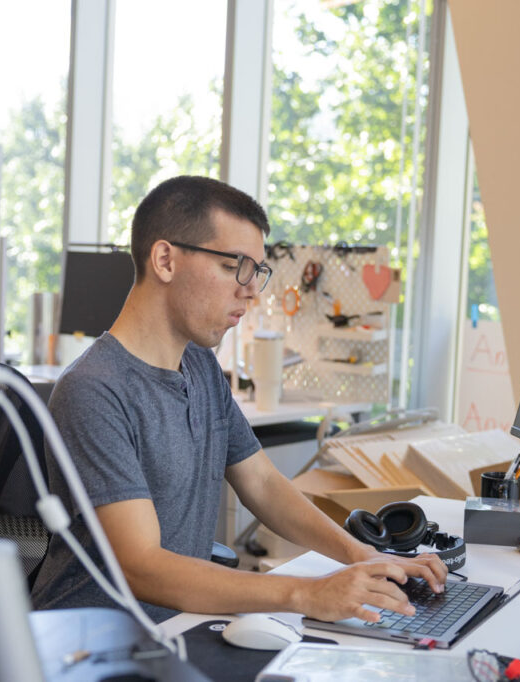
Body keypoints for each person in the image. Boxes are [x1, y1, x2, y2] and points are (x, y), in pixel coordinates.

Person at [31, 175, 446, 624]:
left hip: (175, 627)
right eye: (235, 267)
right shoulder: (94, 388)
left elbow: (263, 485)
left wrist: (361, 556)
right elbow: (142, 566)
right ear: (165, 260)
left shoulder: (201, 367)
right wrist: (305, 594)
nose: (250, 290)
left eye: (256, 272)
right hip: (89, 643)